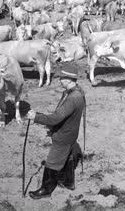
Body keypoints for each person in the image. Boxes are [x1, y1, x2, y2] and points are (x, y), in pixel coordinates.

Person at [25, 63, 85, 199]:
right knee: (68, 156)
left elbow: (56, 118)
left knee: (52, 162)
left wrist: (36, 117)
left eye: (62, 78)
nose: (59, 80)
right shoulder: (77, 92)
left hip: (63, 136)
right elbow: (63, 116)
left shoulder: (72, 98)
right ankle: (68, 182)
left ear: (69, 79)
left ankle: (45, 190)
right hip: (71, 134)